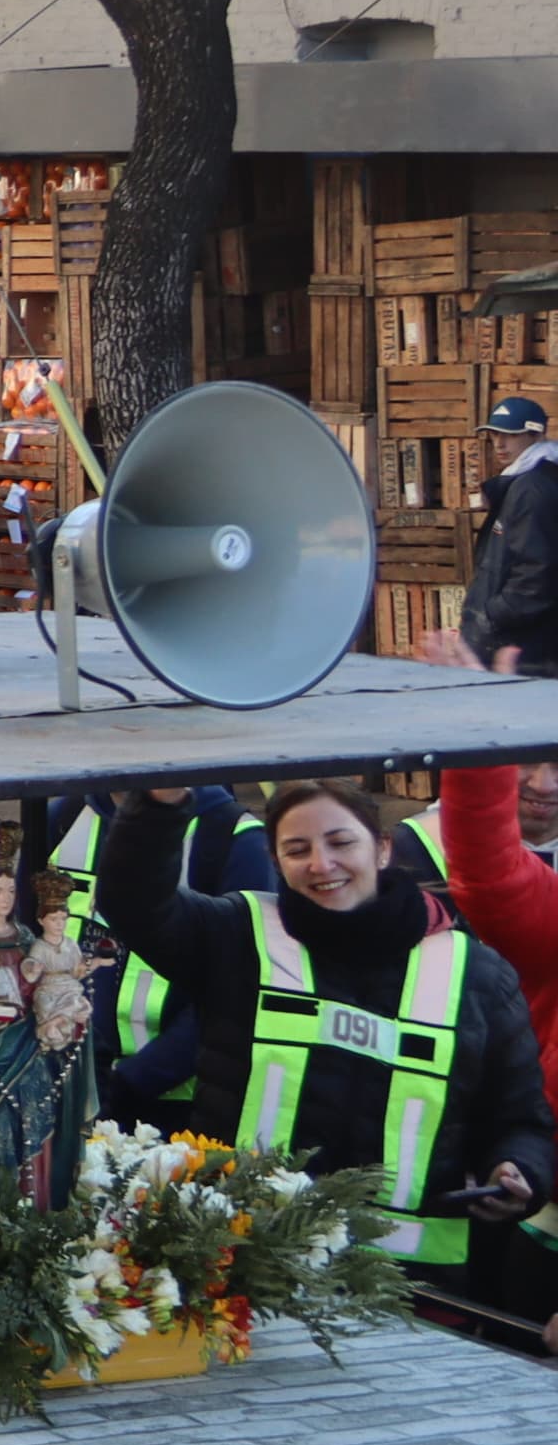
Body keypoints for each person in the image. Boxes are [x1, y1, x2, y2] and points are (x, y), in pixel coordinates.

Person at [98, 779, 555, 1282]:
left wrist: (516, 1170)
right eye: (297, 850)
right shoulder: (236, 937)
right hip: (242, 1267)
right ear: (275, 860)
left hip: (412, 1290)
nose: (321, 863)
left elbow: (522, 1120)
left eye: (341, 843)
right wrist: (160, 805)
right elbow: (134, 904)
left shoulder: (477, 975)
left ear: (382, 849)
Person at [464, 394, 558, 675]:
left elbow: (537, 572)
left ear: (535, 435)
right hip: (521, 640)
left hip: (521, 647)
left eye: (511, 435)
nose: (500, 444)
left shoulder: (531, 489)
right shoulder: (526, 481)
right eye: (494, 435)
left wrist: (491, 617)